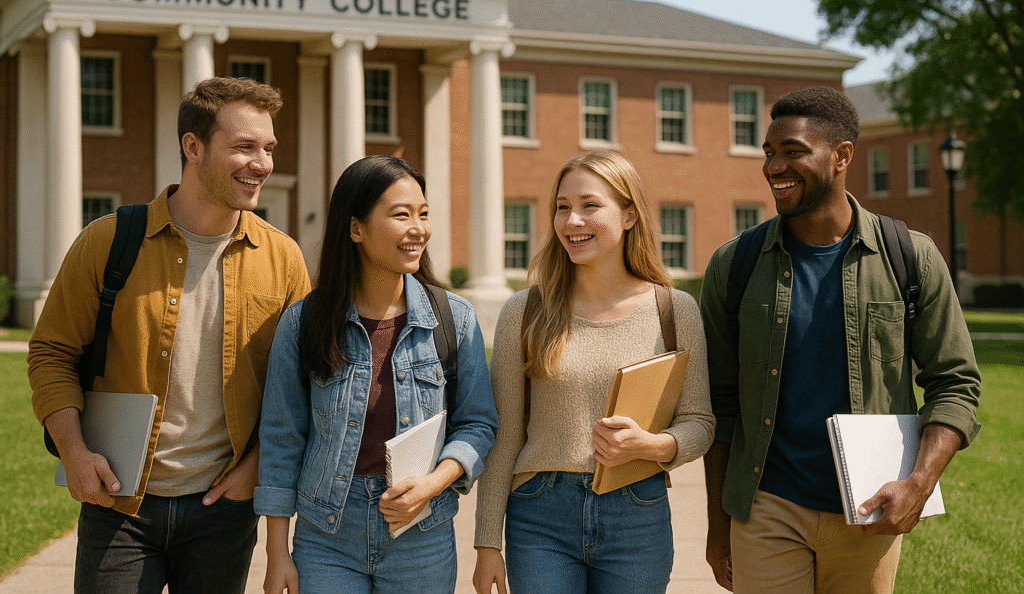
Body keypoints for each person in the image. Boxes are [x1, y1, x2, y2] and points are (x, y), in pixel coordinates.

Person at [27, 76, 311, 593]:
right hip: (119, 505)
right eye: (244, 146)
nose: (263, 163)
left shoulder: (284, 259)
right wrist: (73, 451)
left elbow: (296, 386)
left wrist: (252, 470)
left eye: (268, 148)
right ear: (193, 147)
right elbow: (51, 353)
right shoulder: (107, 240)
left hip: (223, 514)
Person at [700, 86, 982, 594]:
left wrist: (919, 484)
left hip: (869, 509)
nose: (773, 167)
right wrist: (718, 528)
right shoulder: (734, 265)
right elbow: (720, 403)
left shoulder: (910, 257)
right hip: (767, 506)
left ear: (842, 156)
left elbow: (956, 384)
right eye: (769, 152)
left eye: (793, 152)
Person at [473, 149, 715, 594]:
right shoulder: (523, 311)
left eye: (589, 205)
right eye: (562, 208)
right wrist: (487, 542)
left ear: (628, 215)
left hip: (638, 513)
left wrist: (653, 445)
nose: (571, 221)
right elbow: (505, 433)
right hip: (539, 515)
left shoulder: (674, 310)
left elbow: (700, 423)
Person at [256, 154, 498, 594]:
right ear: (356, 228)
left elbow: (478, 423)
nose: (418, 228)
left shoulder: (454, 319)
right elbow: (281, 439)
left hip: (420, 535)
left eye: (423, 214)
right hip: (327, 534)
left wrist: (432, 484)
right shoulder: (304, 322)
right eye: (401, 214)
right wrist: (277, 553)